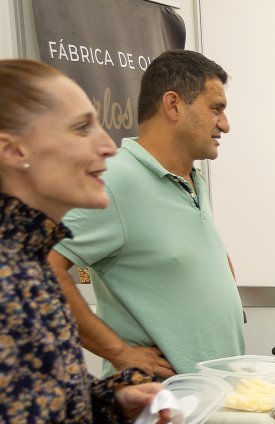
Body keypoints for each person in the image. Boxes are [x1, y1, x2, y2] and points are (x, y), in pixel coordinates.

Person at [0, 59, 166, 424]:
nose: (108, 145)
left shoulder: (29, 256)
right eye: (81, 128)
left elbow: (35, 408)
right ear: (13, 151)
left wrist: (111, 401)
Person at [49, 50, 244, 377]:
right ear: (173, 105)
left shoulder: (191, 179)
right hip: (157, 407)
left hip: (210, 399)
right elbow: (43, 268)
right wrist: (120, 353)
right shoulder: (114, 182)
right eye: (216, 109)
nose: (224, 124)